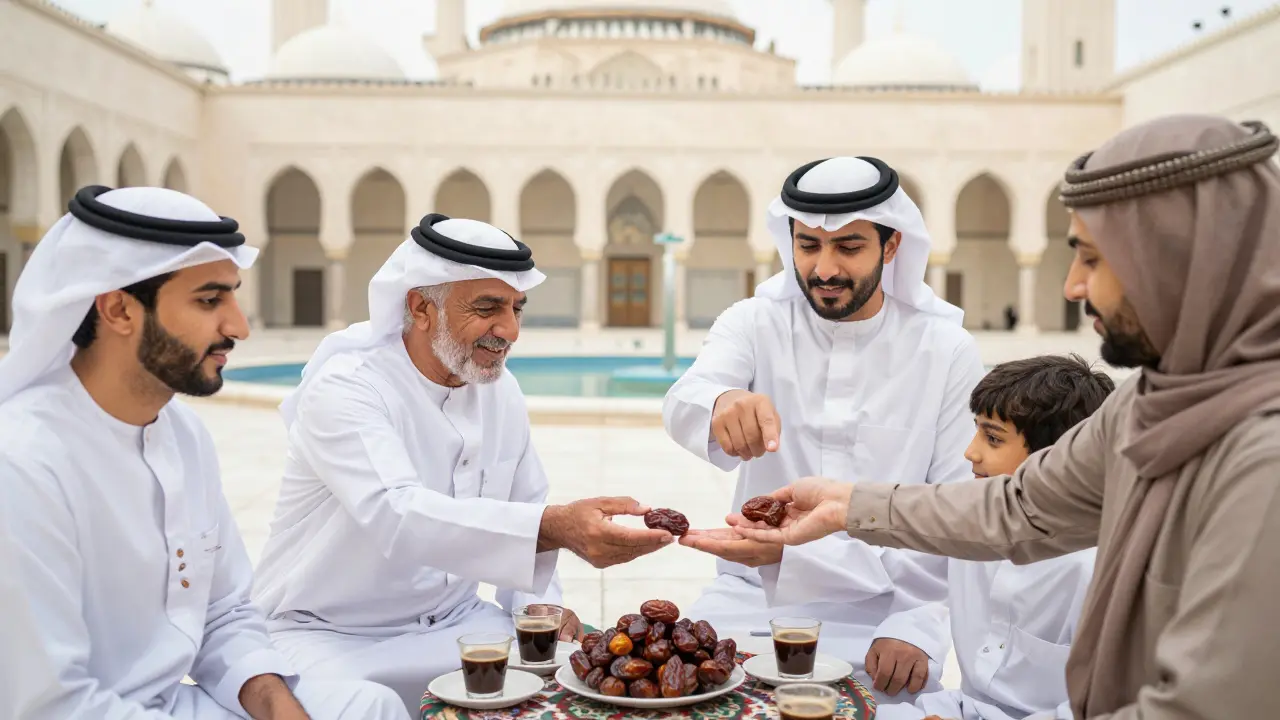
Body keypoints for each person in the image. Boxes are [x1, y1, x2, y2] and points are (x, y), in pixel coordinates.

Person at [731, 115, 1280, 719]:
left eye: (1093, 260)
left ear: (1180, 265)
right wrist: (846, 507)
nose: (1072, 286)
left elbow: (1204, 707)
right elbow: (1018, 508)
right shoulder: (1147, 404)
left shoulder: (1262, 455)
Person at [0, 185, 408, 720]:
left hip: (171, 703)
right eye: (210, 300)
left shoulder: (182, 434)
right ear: (119, 310)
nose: (238, 326)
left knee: (369, 706)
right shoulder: (23, 462)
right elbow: (49, 705)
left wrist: (279, 708)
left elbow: (224, 614)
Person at [253, 213, 675, 711]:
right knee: (367, 708)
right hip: (330, 637)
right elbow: (398, 514)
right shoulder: (349, 387)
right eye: (487, 308)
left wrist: (538, 606)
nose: (510, 330)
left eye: (517, 308)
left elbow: (527, 503)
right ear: (421, 307)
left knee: (585, 686)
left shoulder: (501, 391)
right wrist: (555, 527)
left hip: (457, 623)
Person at [663, 156, 985, 699]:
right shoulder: (754, 321)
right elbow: (684, 401)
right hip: (754, 594)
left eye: (849, 248)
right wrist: (721, 402)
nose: (825, 269)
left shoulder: (945, 348)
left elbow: (959, 505)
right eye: (808, 245)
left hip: (886, 609)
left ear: (891, 245)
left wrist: (918, 624)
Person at [878, 355, 1113, 720]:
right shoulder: (971, 524)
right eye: (976, 432)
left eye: (992, 438)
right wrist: (908, 629)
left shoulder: (1099, 571)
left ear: (1057, 459)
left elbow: (1106, 709)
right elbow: (923, 584)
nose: (969, 452)